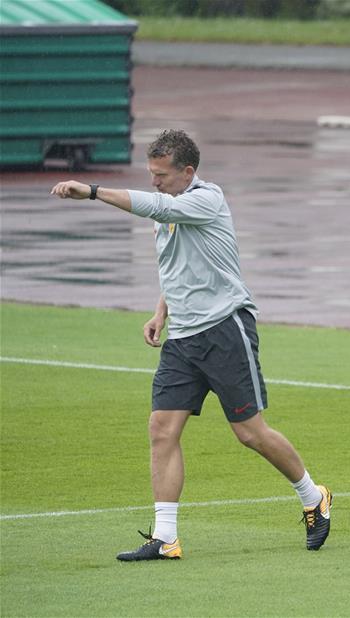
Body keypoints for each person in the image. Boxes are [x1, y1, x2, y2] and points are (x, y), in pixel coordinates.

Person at [50, 130, 332, 557]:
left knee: (250, 433)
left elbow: (158, 206)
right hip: (182, 337)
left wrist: (91, 191)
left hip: (224, 329)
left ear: (188, 171)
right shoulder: (171, 209)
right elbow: (176, 264)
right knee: (161, 428)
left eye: (162, 175)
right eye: (151, 174)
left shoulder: (207, 199)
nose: (156, 182)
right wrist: (160, 312)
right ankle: (166, 539)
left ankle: (314, 497)